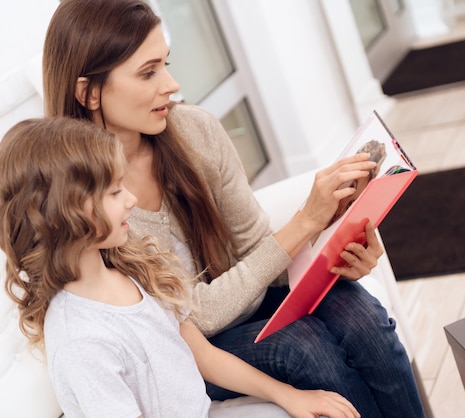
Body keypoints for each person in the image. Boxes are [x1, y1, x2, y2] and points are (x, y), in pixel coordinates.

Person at [42, 1, 426, 416]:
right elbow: (195, 317)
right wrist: (303, 223)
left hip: (248, 300)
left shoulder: (194, 130)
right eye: (148, 72)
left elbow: (256, 248)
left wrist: (332, 246)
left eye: (166, 64)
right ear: (89, 92)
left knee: (362, 316)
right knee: (307, 349)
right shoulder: (90, 204)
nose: (171, 84)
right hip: (193, 345)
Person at [0, 116, 360, 418]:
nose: (131, 200)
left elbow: (201, 355)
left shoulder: (133, 267)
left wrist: (289, 396)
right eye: (113, 193)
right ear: (66, 216)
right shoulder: (81, 341)